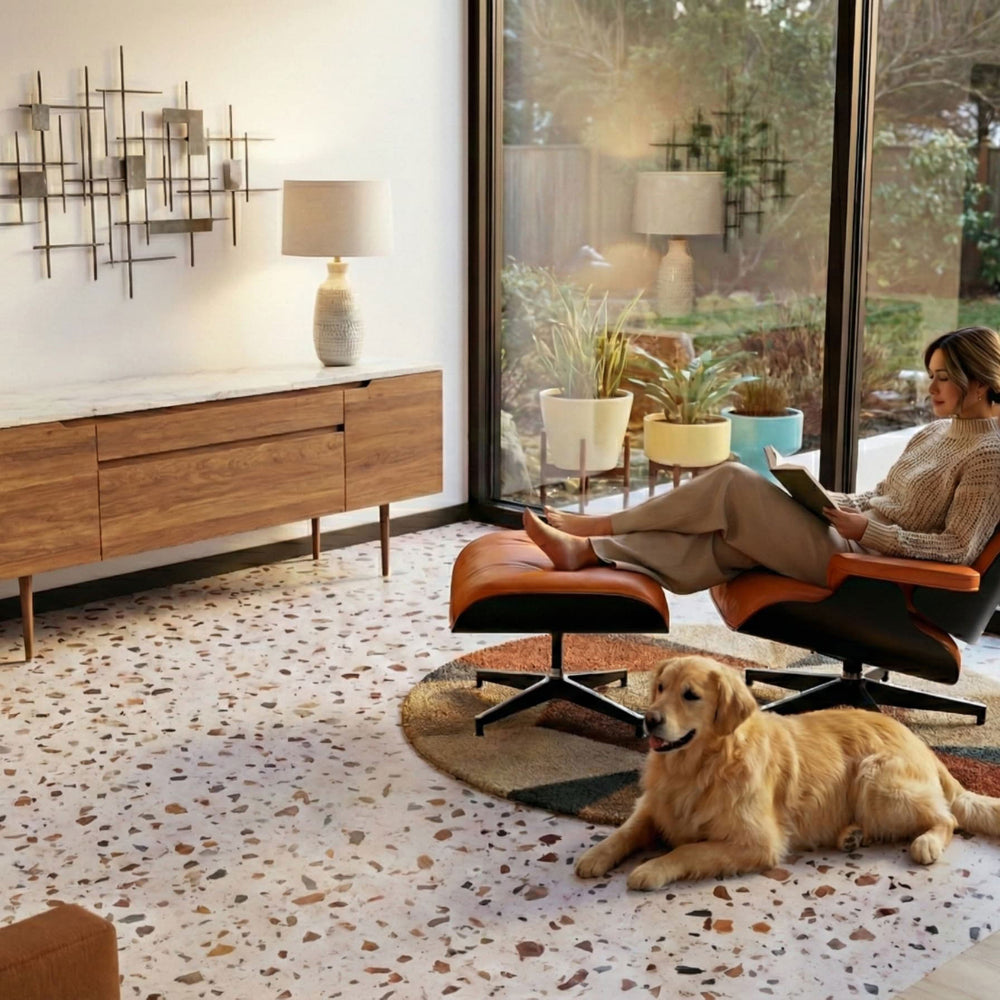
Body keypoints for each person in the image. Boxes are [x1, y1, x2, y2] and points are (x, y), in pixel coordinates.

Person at [522, 326, 1000, 593]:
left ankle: (600, 527)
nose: (931, 387)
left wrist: (869, 532)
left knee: (731, 480)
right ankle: (587, 551)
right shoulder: (934, 433)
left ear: (979, 382)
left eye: (943, 377)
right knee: (728, 538)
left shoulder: (988, 456)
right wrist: (825, 498)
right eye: (930, 375)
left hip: (869, 566)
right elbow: (880, 496)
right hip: (852, 539)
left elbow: (958, 549)